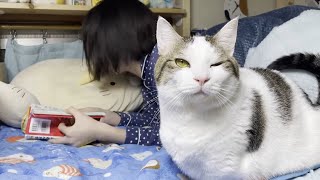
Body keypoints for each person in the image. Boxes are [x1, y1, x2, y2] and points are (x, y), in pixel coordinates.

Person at [49, 0, 161, 147]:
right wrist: (110, 116)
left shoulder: (160, 66)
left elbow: (179, 137)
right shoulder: (147, 71)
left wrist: (102, 132)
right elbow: (153, 121)